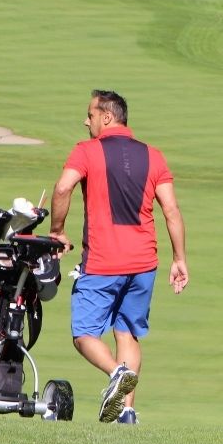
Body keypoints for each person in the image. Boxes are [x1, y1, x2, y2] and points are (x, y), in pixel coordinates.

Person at [49, 90, 188, 425]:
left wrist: (57, 231)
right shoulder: (154, 156)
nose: (87, 121)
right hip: (144, 263)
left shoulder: (86, 151)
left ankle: (116, 373)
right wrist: (179, 258)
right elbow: (170, 210)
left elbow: (63, 187)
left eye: (91, 114)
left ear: (107, 117)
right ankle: (126, 411)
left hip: (102, 261)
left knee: (83, 333)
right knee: (126, 333)